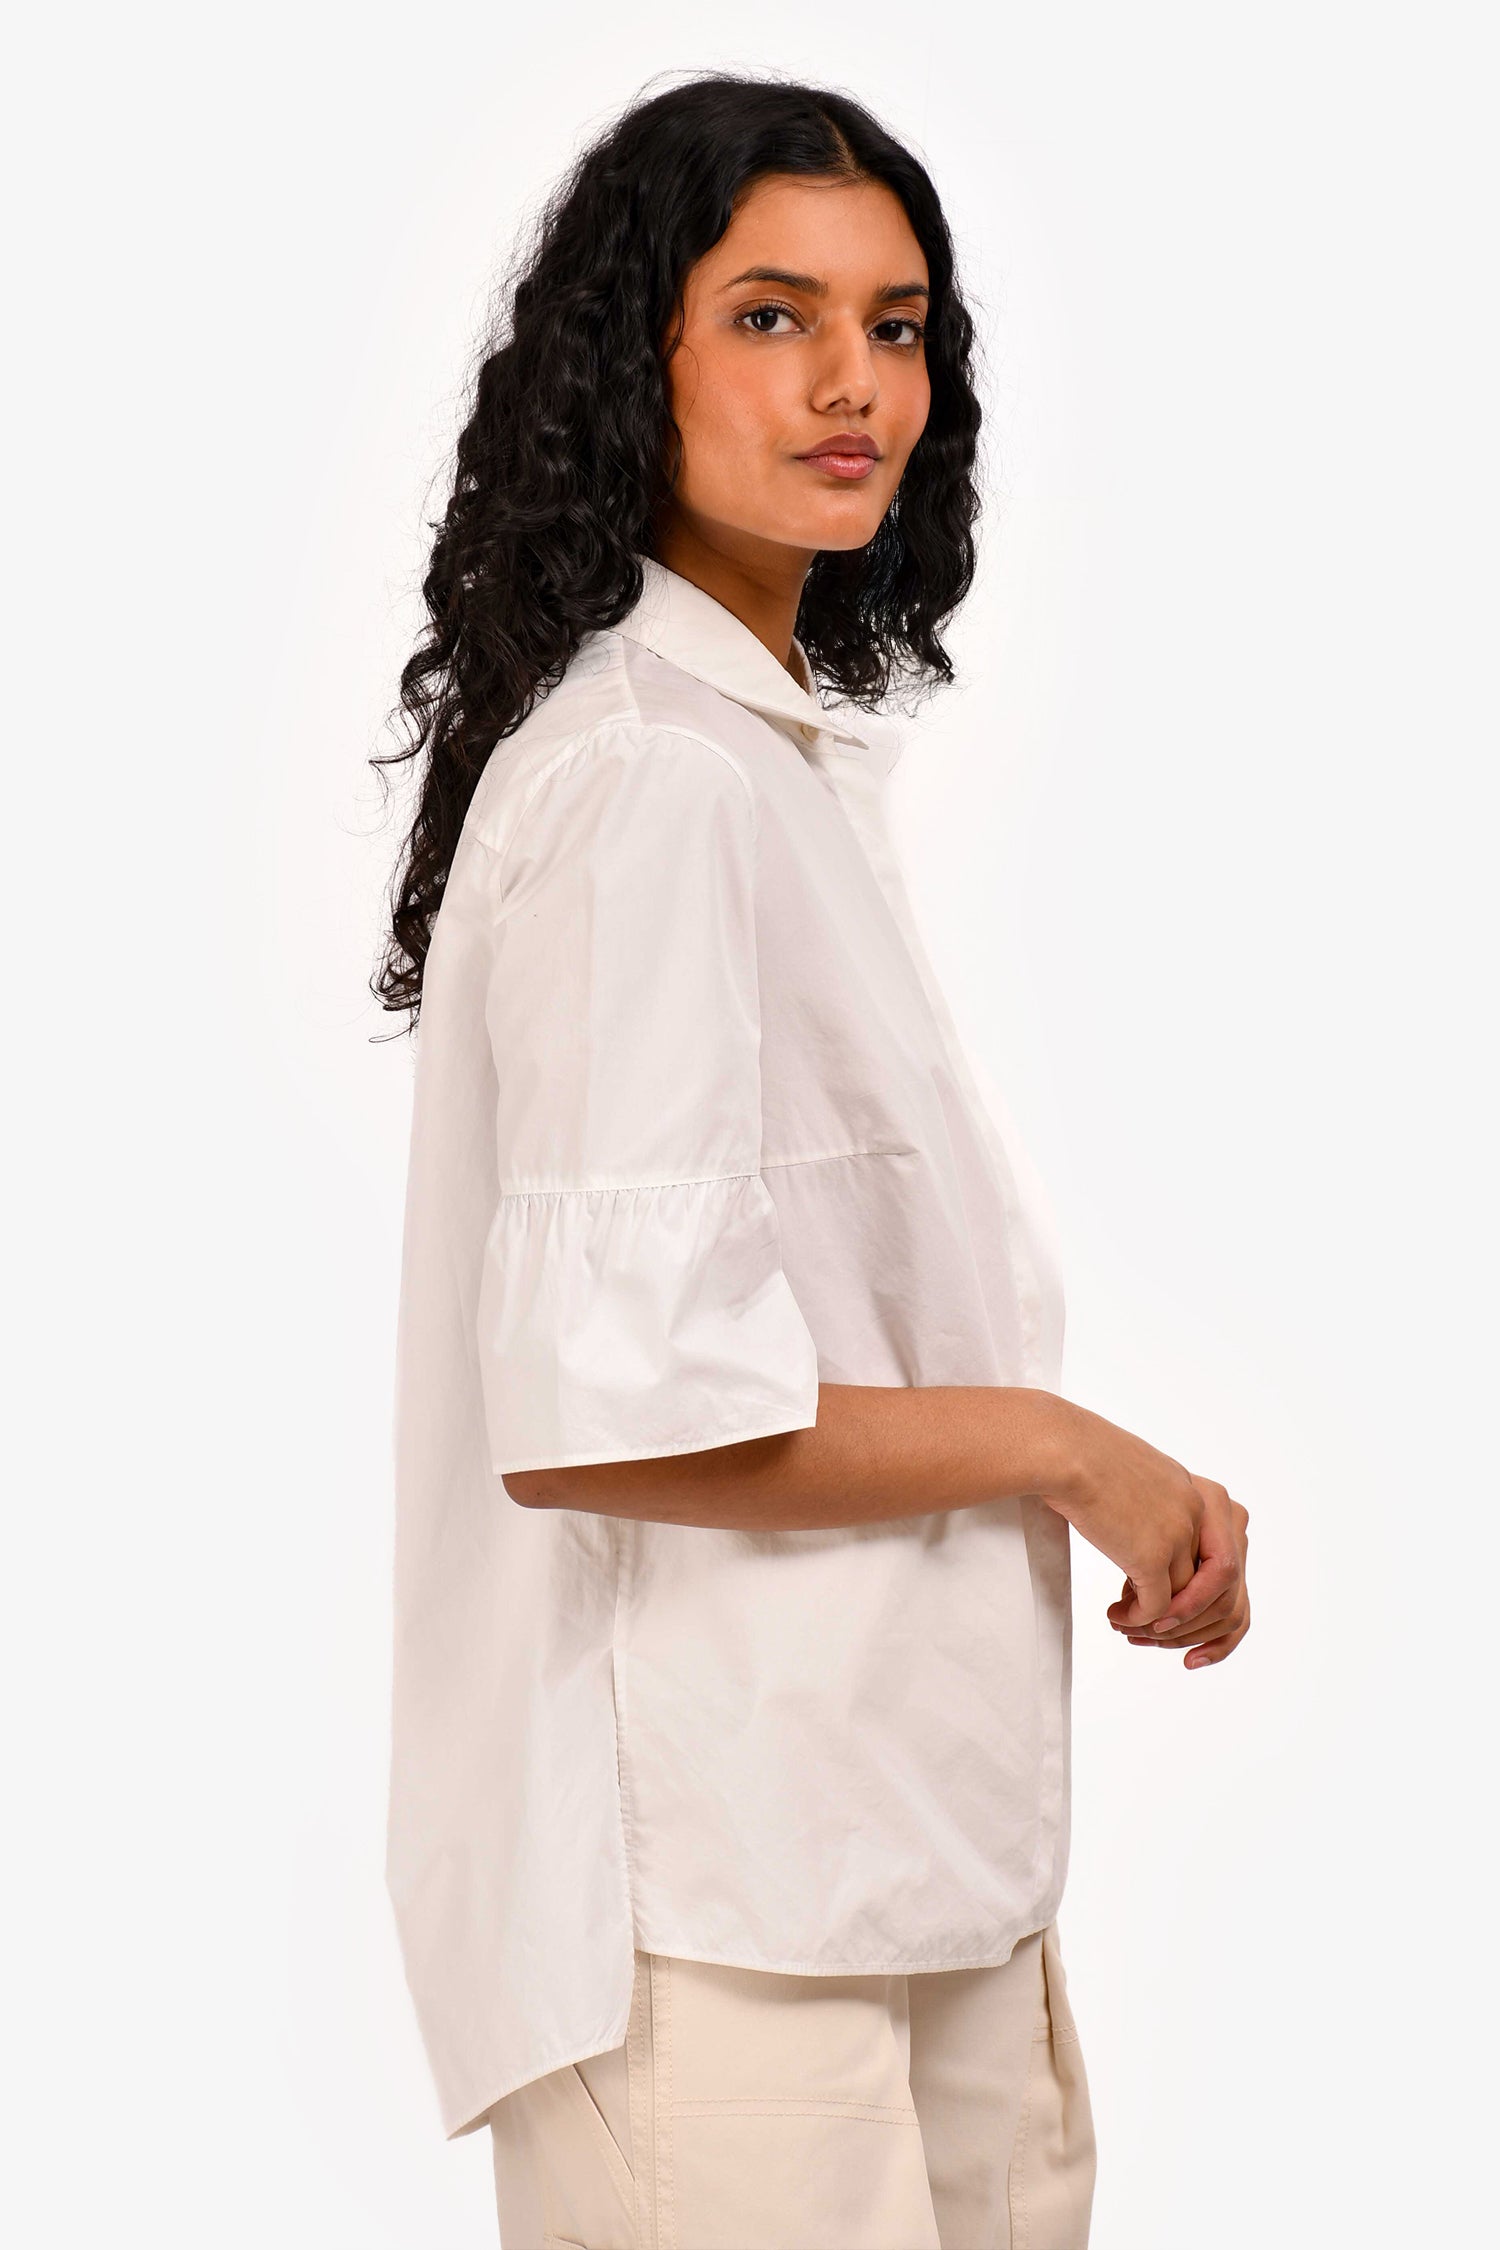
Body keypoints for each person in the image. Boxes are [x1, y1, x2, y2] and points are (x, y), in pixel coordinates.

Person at [372, 71, 1251, 2250]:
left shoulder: (759, 764)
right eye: (773, 316)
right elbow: (612, 1419)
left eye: (899, 324)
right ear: (634, 357)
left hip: (905, 1872)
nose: (855, 382)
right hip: (716, 1923)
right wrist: (1064, 1446)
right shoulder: (652, 783)